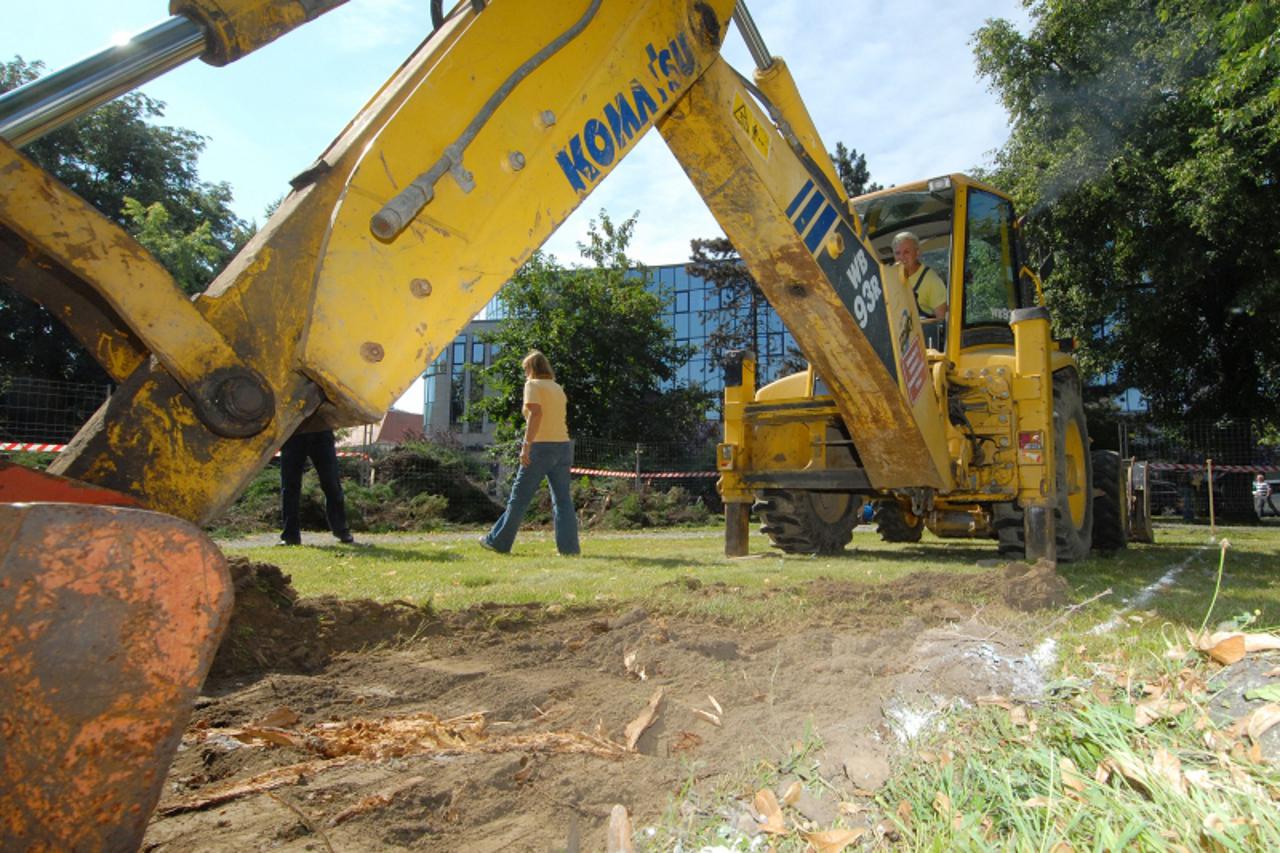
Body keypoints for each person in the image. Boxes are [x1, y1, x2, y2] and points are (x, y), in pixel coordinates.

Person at [480, 350, 580, 555]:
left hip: (541, 447)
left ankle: (499, 542)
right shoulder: (557, 388)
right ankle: (570, 549)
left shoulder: (532, 385)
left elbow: (536, 413)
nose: (525, 373)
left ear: (532, 369)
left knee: (519, 498)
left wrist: (526, 445)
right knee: (562, 500)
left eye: (526, 369)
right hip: (563, 446)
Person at [279, 428, 355, 545]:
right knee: (289, 487)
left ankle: (342, 530)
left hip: (321, 432)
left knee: (331, 483)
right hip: (293, 432)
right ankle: (290, 536)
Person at [889, 230, 948, 320]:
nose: (901, 257)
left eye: (906, 252)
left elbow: (943, 321)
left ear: (917, 253)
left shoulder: (931, 281)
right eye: (897, 253)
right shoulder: (889, 277)